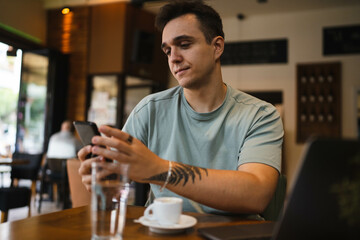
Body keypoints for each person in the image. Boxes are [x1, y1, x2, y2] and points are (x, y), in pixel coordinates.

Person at [78, 0, 283, 216]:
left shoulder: (260, 115)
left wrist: (159, 169)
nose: (174, 58)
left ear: (217, 47)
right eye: (167, 50)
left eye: (184, 45)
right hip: (161, 230)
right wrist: (102, 182)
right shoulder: (149, 110)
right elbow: (114, 189)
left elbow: (256, 195)